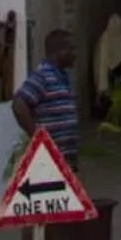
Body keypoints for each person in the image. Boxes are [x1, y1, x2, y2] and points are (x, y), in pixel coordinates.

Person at [12, 28, 81, 165]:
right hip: (50, 158)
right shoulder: (43, 75)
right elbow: (19, 105)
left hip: (66, 157)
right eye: (71, 49)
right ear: (60, 51)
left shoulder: (62, 76)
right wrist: (38, 138)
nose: (75, 55)